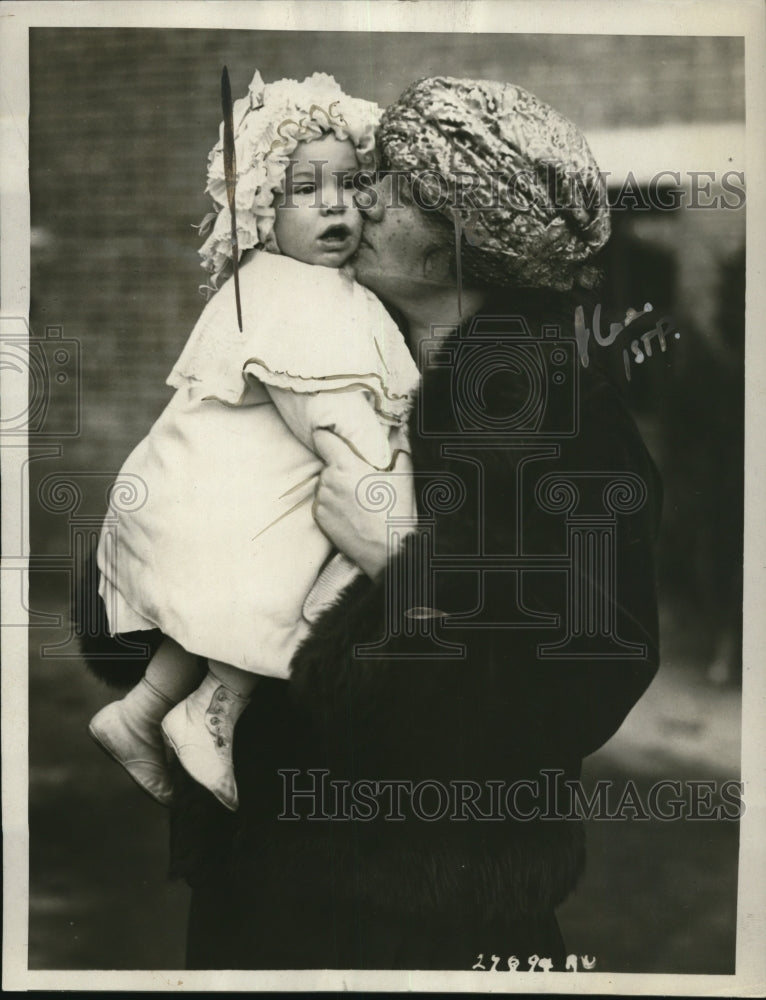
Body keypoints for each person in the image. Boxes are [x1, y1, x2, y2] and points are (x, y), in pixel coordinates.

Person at [80, 75, 661, 971]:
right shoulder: (315, 344)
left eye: (393, 183)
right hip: (254, 893)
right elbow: (116, 621)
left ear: (455, 248)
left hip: (438, 914)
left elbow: (589, 678)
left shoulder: (565, 420)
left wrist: (408, 563)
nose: (361, 194)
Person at [86, 71, 419, 812]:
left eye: (351, 183)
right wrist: (389, 470)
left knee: (214, 608)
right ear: (262, 205)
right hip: (229, 516)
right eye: (306, 188)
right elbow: (329, 416)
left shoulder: (268, 283)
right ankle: (212, 716)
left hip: (190, 498)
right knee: (309, 572)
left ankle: (138, 712)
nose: (335, 203)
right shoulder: (302, 297)